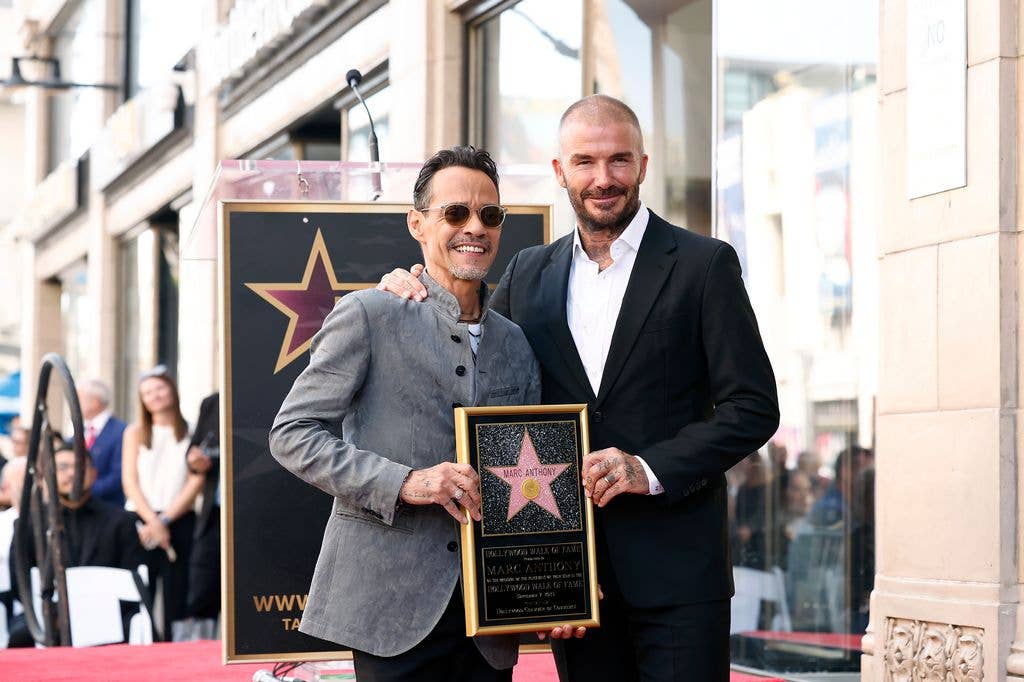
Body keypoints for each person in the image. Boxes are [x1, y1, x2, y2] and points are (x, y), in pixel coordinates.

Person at [379, 95, 779, 681]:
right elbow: (472, 349)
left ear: (643, 165)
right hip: (569, 580)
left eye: (619, 160)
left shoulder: (704, 265)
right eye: (585, 162)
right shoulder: (527, 272)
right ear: (560, 172)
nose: (603, 178)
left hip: (678, 576)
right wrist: (412, 282)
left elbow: (753, 407)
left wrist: (648, 468)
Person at [270, 146, 541, 682]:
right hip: (387, 608)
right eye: (455, 213)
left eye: (490, 215)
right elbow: (292, 434)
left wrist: (559, 581)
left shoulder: (518, 345)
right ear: (417, 223)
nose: (475, 228)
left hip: (490, 618)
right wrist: (405, 482)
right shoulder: (370, 314)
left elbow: (532, 477)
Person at [122, 366, 203, 641]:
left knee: (175, 594)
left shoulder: (192, 431)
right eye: (147, 392)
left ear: (172, 390)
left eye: (159, 388)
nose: (154, 396)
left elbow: (196, 481)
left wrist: (165, 520)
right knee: (140, 593)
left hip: (179, 519)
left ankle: (172, 649)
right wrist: (153, 522)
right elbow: (129, 482)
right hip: (140, 521)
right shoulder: (134, 433)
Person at [184, 391, 220, 637]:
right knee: (202, 588)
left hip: (253, 511)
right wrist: (194, 459)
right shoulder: (211, 403)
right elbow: (193, 450)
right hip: (212, 514)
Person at [78, 379, 128, 507]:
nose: (74, 403)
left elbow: (119, 475)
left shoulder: (121, 431)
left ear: (95, 401)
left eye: (79, 398)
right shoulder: (80, 431)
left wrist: (84, 491)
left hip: (108, 510)